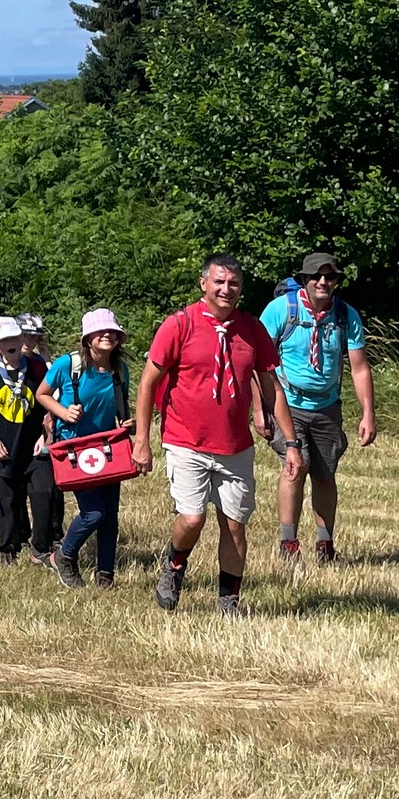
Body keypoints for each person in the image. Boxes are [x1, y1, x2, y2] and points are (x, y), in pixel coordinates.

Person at [137, 255, 282, 617]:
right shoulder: (179, 325)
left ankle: (228, 600)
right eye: (219, 282)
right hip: (186, 439)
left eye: (233, 283)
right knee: (192, 518)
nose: (226, 289)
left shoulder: (251, 329)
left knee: (234, 527)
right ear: (204, 284)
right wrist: (142, 439)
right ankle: (173, 565)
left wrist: (290, 444)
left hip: (235, 445)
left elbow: (271, 387)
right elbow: (147, 383)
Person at [261, 252, 376, 566]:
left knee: (325, 475)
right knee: (296, 465)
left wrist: (368, 413)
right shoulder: (280, 310)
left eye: (330, 277)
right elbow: (258, 364)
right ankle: (288, 543)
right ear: (304, 281)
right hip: (286, 404)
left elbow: (359, 367)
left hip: (327, 406)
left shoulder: (345, 315)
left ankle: (325, 545)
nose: (323, 282)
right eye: (316, 277)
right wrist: (259, 410)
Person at [39, 307, 132, 588]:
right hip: (76, 450)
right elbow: (41, 394)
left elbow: (121, 410)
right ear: (87, 338)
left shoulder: (120, 370)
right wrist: (63, 412)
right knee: (94, 513)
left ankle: (105, 575)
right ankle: (64, 555)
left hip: (108, 449)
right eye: (100, 331)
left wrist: (131, 426)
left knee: (110, 517)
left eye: (112, 331)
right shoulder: (68, 365)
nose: (107, 335)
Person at [0, 316, 54, 563]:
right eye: (3, 340)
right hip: (4, 448)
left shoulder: (37, 368)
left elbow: (50, 400)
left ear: (22, 339)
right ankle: (8, 549)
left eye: (13, 337)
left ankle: (40, 547)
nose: (10, 343)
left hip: (35, 446)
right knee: (8, 504)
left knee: (44, 493)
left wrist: (47, 434)